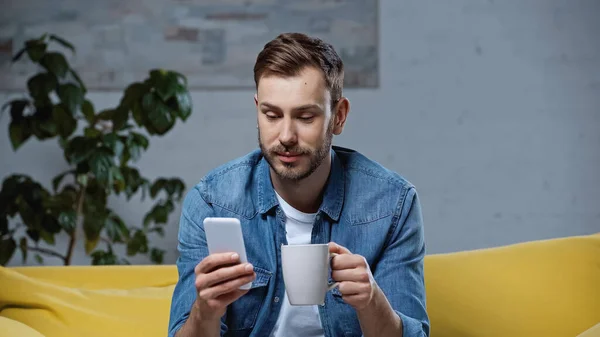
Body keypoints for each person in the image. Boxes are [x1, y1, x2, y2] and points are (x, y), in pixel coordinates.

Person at [167, 32, 430, 337]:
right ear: (257, 111)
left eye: (305, 117)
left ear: (339, 117)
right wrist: (205, 310)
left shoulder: (392, 204)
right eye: (272, 115)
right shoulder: (212, 201)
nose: (286, 136)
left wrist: (371, 301)